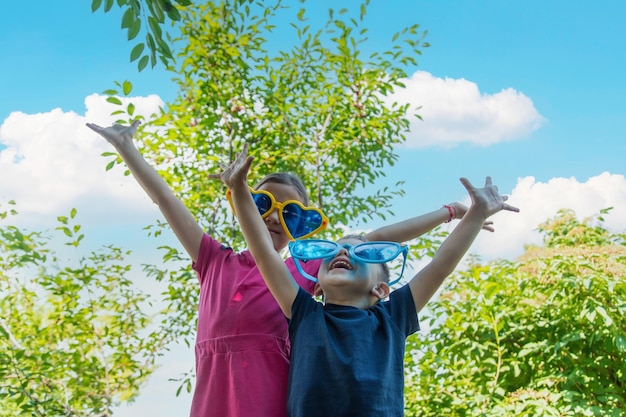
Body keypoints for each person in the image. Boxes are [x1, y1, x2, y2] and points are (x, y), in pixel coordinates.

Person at [86, 120, 493, 417]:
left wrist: (454, 212)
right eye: (265, 205)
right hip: (217, 395)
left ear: (303, 228)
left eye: (291, 213)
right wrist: (128, 149)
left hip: (272, 395)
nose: (275, 218)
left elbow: (382, 242)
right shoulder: (216, 261)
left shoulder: (309, 275)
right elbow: (168, 202)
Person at [222, 142, 519, 417]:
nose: (343, 253)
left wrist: (476, 214)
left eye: (357, 252)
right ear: (319, 284)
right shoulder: (304, 313)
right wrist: (238, 190)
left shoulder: (392, 317)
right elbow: (263, 253)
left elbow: (441, 265)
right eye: (336, 251)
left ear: (381, 288)